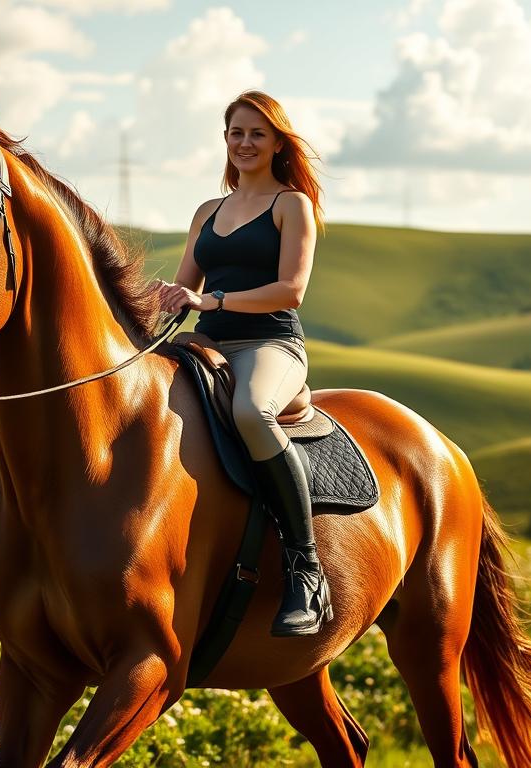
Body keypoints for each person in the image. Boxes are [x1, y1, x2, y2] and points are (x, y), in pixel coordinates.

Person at [154, 90, 331, 637]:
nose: (245, 143)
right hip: (205, 340)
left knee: (252, 412)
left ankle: (306, 569)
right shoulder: (208, 211)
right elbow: (186, 286)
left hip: (270, 345)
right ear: (225, 141)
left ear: (278, 141)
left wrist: (216, 302)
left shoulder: (290, 205)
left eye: (257, 133)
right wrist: (159, 297)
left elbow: (291, 291)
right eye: (236, 133)